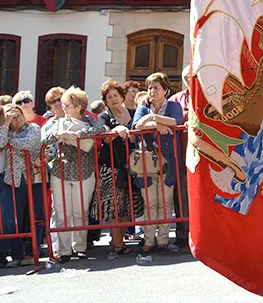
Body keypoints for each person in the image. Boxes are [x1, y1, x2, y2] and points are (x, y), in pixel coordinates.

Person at [45, 87, 105, 262]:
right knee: (62, 212)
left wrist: (76, 135)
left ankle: (79, 247)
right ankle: (64, 251)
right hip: (60, 171)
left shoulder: (90, 121)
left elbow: (100, 128)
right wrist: (60, 134)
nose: (63, 108)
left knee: (80, 211)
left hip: (84, 170)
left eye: (67, 104)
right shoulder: (58, 122)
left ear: (79, 106)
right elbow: (45, 138)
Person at [132, 73, 184, 252]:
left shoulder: (173, 106)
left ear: (165, 90)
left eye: (156, 87)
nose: (152, 91)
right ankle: (148, 239)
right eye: (150, 87)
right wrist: (157, 125)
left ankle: (163, 239)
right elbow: (136, 126)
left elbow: (176, 121)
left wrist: (152, 119)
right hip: (147, 160)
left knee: (165, 200)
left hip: (168, 159)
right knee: (150, 201)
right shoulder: (143, 107)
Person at [97, 80, 144, 257]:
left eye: (116, 95)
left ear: (122, 97)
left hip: (131, 166)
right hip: (111, 166)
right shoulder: (104, 116)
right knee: (114, 208)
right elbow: (104, 134)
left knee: (127, 207)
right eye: (109, 97)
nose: (113, 99)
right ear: (106, 101)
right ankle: (117, 245)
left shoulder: (133, 112)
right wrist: (117, 129)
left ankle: (120, 241)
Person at [0, 104, 43, 267]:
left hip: (33, 179)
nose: (16, 118)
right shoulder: (5, 130)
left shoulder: (33, 128)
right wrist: (5, 125)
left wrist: (10, 142)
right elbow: (0, 142)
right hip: (12, 180)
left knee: (34, 218)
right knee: (12, 220)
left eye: (18, 115)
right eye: (11, 116)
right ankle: (17, 255)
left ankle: (32, 253)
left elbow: (30, 144)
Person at [167, 65, 191, 247]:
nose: (190, 79)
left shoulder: (209, 94)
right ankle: (183, 233)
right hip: (181, 152)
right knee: (181, 193)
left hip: (206, 155)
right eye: (186, 77)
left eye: (192, 76)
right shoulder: (175, 100)